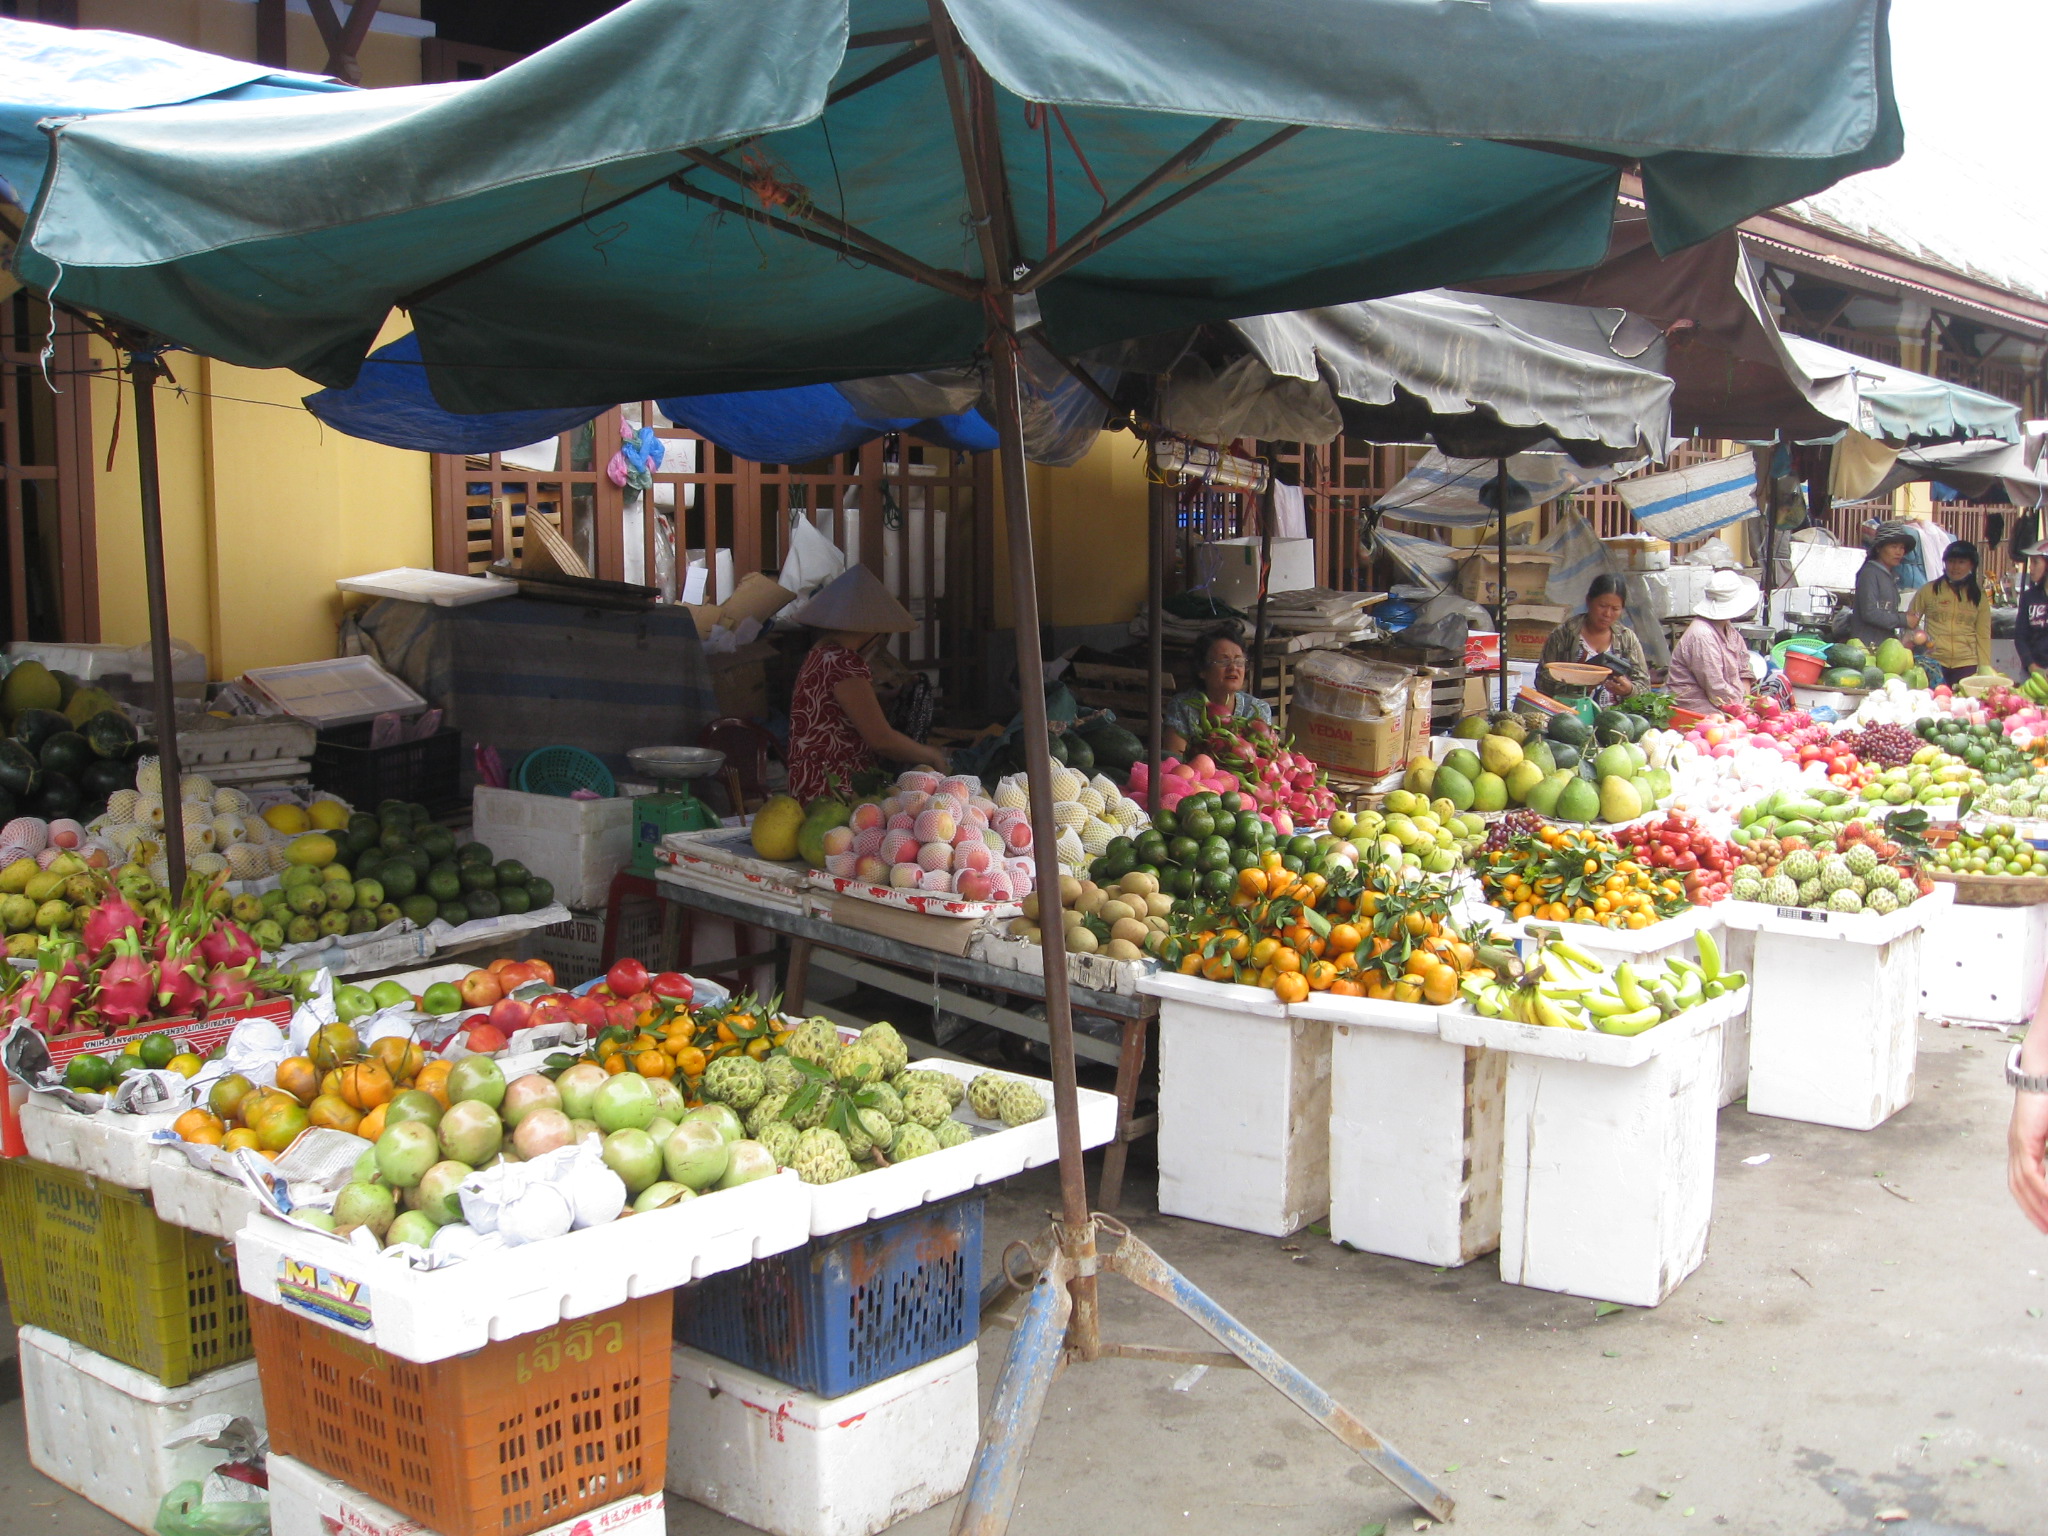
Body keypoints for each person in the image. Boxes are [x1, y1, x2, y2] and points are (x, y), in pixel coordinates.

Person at [786, 566, 946, 802]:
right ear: (873, 631)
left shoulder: (820, 653)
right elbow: (881, 740)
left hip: (808, 783)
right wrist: (931, 755)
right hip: (834, 789)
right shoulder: (845, 663)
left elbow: (838, 711)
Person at [1535, 573, 1647, 704]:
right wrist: (1579, 684)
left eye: (1615, 609)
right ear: (1588, 601)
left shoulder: (1627, 639)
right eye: (1602, 606)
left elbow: (1644, 687)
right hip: (1570, 715)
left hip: (1619, 717)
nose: (1607, 614)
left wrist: (1629, 691)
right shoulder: (1564, 635)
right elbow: (1542, 683)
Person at [1162, 625, 1273, 757]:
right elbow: (1175, 759)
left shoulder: (1257, 709)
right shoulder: (1183, 706)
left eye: (1239, 661)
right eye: (1223, 661)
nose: (1233, 668)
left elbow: (1265, 761)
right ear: (1202, 670)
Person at [1666, 569, 1760, 716]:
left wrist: (1745, 703)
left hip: (1731, 705)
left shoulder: (1729, 630)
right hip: (1699, 709)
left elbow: (1744, 669)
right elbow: (1716, 689)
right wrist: (1741, 710)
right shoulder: (1702, 636)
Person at [1907, 539, 1993, 685]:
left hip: (1967, 664)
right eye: (1951, 561)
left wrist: (1985, 665)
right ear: (1945, 564)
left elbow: (1983, 634)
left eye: (1961, 562)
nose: (1955, 567)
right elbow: (1910, 621)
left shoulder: (1979, 596)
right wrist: (1918, 643)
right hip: (1934, 662)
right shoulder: (1929, 590)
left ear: (1971, 564)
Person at [1840, 522, 1928, 652]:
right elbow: (1870, 613)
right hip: (1866, 647)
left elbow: (1886, 611)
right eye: (1894, 546)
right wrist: (1904, 620)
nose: (1899, 552)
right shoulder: (1869, 573)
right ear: (1878, 548)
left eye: (1902, 547)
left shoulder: (1890, 576)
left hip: (1883, 647)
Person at [2015, 540, 2048, 682]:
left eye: (2035, 562)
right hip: (2031, 675)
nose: (2031, 568)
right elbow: (2020, 636)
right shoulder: (2028, 596)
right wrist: (2032, 666)